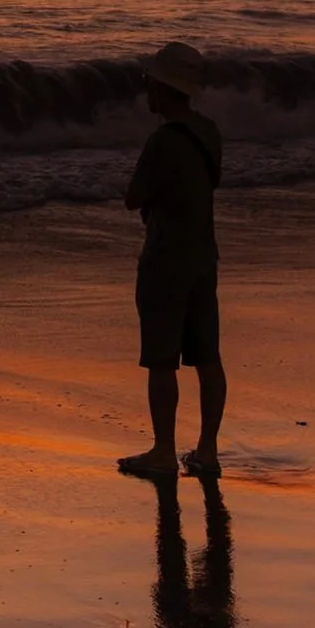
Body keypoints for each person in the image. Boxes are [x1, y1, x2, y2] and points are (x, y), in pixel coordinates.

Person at [116, 40, 226, 481]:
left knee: (162, 358)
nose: (146, 92)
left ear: (161, 89)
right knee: (208, 356)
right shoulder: (209, 132)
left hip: (165, 256)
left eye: (149, 84)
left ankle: (164, 450)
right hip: (204, 254)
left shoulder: (163, 140)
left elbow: (133, 197)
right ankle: (207, 450)